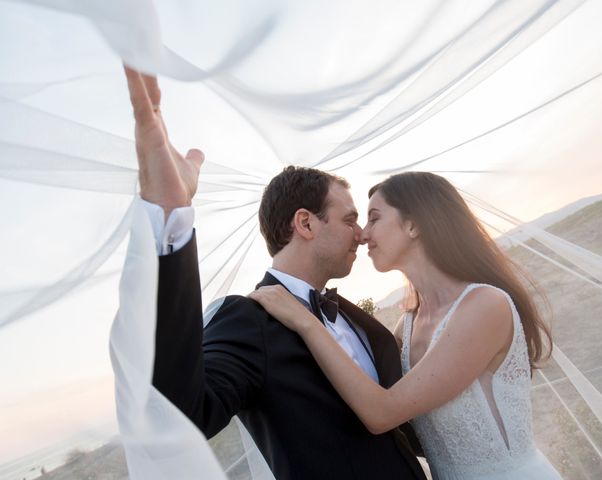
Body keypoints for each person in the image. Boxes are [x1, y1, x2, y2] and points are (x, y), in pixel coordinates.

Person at [123, 66, 429, 480]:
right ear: (305, 224)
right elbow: (182, 414)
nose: (360, 235)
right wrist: (168, 220)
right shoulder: (246, 320)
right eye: (349, 219)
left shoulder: (351, 315)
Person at [250, 172, 563, 480]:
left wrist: (306, 321)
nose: (362, 234)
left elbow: (383, 413)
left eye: (374, 218)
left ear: (413, 225)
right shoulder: (406, 327)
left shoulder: (486, 306)